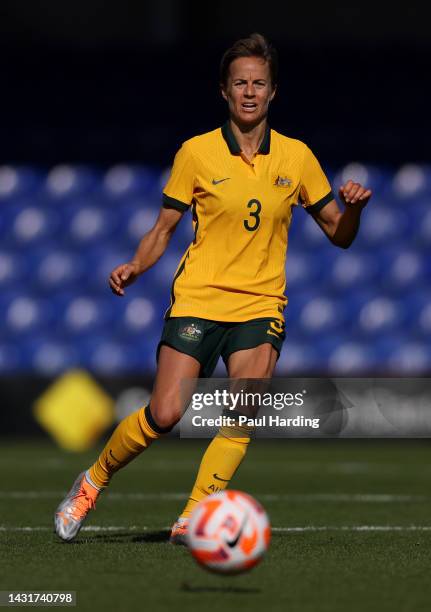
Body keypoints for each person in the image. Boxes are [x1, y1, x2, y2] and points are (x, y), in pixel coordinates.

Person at [54, 33, 372, 543]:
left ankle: (195, 514)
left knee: (244, 406)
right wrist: (137, 265)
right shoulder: (196, 154)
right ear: (224, 91)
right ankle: (94, 479)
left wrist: (352, 209)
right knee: (165, 413)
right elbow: (163, 228)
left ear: (273, 92)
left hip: (261, 304)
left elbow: (339, 235)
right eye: (240, 82)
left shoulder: (297, 158)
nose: (250, 92)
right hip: (200, 299)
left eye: (259, 83)